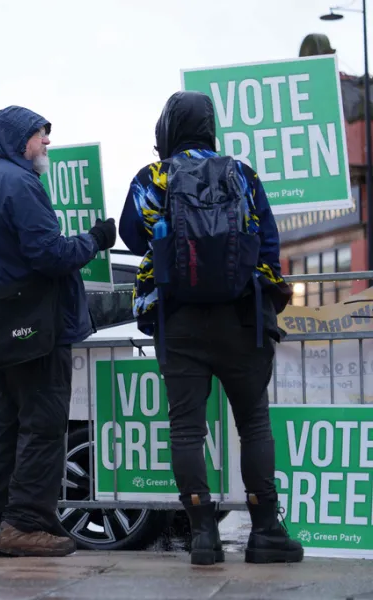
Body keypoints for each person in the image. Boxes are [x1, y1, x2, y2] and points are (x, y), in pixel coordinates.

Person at [118, 90, 303, 566]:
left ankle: (203, 534)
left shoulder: (151, 177)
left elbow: (132, 235)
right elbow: (267, 241)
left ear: (168, 128)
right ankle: (266, 531)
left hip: (177, 319)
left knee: (186, 430)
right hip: (242, 318)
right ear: (209, 126)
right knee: (254, 423)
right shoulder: (241, 173)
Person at [0, 105, 116, 557]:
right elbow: (50, 255)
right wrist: (96, 239)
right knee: (43, 428)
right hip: (36, 326)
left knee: (3, 431)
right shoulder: (20, 183)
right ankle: (24, 525)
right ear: (17, 139)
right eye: (39, 135)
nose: (46, 142)